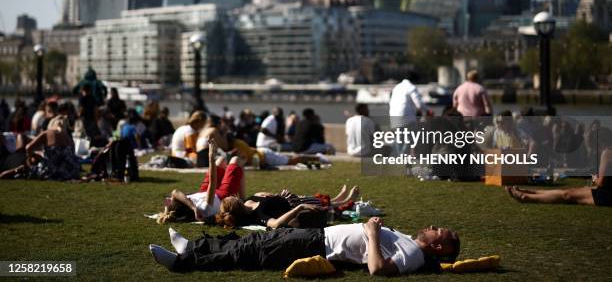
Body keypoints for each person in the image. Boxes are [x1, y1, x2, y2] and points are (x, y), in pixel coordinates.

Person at [150, 218, 460, 276]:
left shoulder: (414, 256)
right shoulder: (411, 243)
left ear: (439, 249)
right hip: (320, 235)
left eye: (439, 232)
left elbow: (377, 269)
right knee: (254, 240)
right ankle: (193, 246)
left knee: (251, 252)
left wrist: (371, 232)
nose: (433, 227)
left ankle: (183, 263)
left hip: (320, 246)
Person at [157, 140, 245, 223]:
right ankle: (242, 200)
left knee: (221, 160)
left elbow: (175, 192)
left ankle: (241, 198)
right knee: (235, 160)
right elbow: (212, 182)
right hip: (222, 195)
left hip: (204, 192)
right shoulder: (203, 210)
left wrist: (193, 207)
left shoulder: (188, 206)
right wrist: (211, 156)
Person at [215, 185, 360, 229]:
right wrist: (300, 207)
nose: (235, 195)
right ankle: (346, 201)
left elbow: (263, 194)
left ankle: (340, 199)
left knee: (320, 200)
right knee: (322, 206)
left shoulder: (248, 201)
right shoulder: (258, 215)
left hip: (289, 198)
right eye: (233, 198)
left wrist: (275, 194)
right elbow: (276, 224)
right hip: (293, 206)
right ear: (236, 203)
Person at [507, 148, 612, 206]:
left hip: (606, 194)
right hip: (607, 190)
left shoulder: (607, 152)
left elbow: (600, 182)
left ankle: (526, 197)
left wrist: (594, 179)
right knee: (569, 191)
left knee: (568, 195)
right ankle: (529, 192)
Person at [1, 116, 80, 181]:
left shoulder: (47, 133)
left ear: (51, 124)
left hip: (51, 171)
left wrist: (31, 156)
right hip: (70, 172)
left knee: (25, 169)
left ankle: (16, 170)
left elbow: (28, 147)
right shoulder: (69, 139)